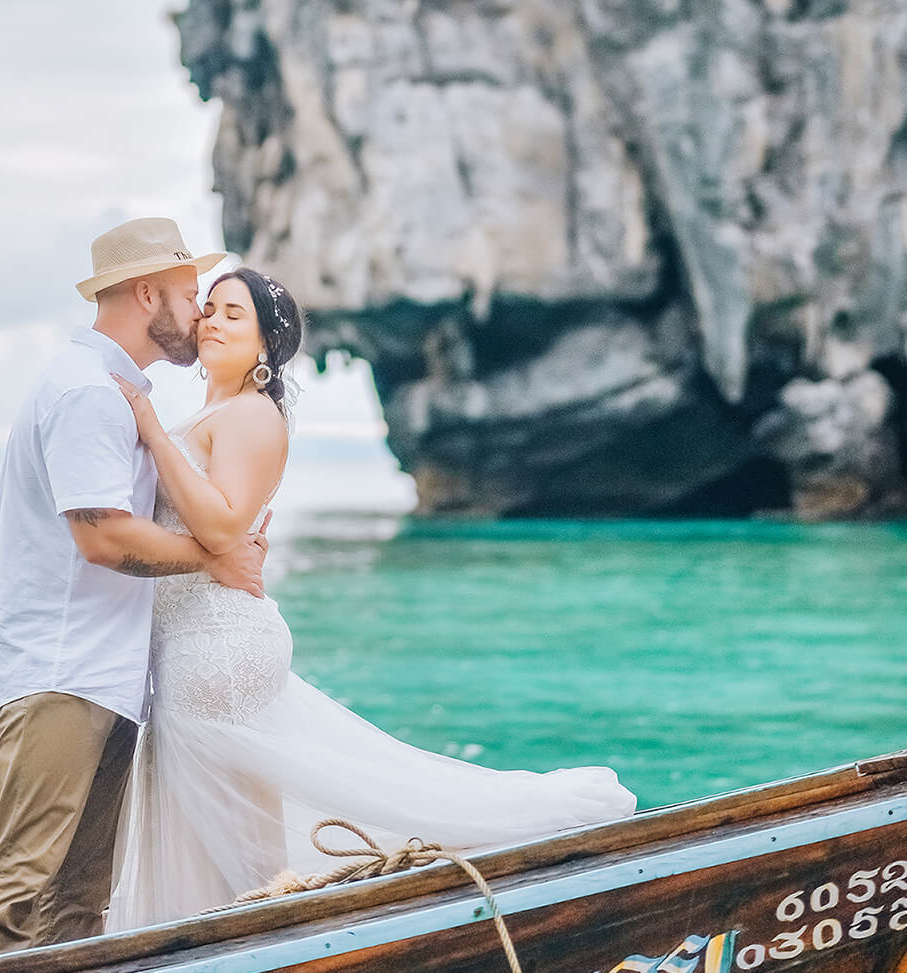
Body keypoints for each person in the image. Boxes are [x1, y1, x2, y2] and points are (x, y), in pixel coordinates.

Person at [106, 267, 636, 930]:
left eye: (233, 315)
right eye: (208, 309)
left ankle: (256, 943)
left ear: (269, 346)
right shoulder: (213, 413)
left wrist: (152, 433)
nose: (212, 320)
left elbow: (220, 526)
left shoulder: (248, 415)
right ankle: (258, 939)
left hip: (215, 646)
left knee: (224, 835)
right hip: (198, 639)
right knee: (228, 829)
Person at [0, 219, 272, 959]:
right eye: (190, 295)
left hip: (101, 677)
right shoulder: (87, 391)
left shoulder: (114, 389)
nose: (199, 311)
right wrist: (211, 559)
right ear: (146, 293)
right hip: (58, 676)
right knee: (15, 893)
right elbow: (101, 536)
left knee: (77, 907)